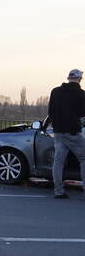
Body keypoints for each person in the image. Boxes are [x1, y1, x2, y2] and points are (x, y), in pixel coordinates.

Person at [48, 68, 85, 199]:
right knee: (83, 158)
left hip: (58, 132)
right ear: (79, 79)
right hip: (73, 132)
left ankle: (58, 191)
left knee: (58, 161)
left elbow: (50, 113)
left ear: (68, 78)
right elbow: (82, 113)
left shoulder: (55, 91)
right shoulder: (81, 94)